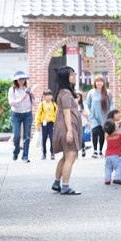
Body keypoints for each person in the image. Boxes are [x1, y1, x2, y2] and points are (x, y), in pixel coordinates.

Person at [51, 66, 83, 195]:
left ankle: (57, 182)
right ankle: (65, 186)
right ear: (66, 78)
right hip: (67, 128)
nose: (74, 76)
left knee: (66, 156)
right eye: (72, 75)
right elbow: (66, 113)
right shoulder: (65, 93)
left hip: (66, 127)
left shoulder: (64, 92)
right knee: (71, 155)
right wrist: (70, 131)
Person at [7, 70, 35, 162]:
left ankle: (25, 155)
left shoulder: (27, 89)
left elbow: (33, 102)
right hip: (16, 114)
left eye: (23, 79)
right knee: (17, 135)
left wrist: (32, 96)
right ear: (16, 80)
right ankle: (16, 151)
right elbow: (11, 102)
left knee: (27, 135)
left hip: (27, 113)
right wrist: (22, 98)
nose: (21, 81)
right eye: (19, 79)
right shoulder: (12, 90)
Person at [86, 75, 114, 158]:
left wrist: (111, 113)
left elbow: (111, 103)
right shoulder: (91, 92)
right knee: (95, 132)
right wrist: (89, 113)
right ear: (94, 82)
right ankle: (95, 151)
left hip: (104, 116)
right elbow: (88, 104)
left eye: (101, 81)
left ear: (103, 82)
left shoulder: (107, 92)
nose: (99, 83)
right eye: (97, 81)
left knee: (102, 133)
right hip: (94, 116)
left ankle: (100, 151)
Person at [102, 119, 121, 186]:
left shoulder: (108, 137)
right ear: (115, 128)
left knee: (108, 168)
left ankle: (107, 180)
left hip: (107, 156)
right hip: (116, 156)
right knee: (118, 167)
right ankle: (117, 178)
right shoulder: (119, 135)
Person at [34, 90, 57, 160]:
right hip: (43, 124)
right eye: (47, 95)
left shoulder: (54, 105)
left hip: (51, 123)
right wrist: (37, 125)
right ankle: (44, 153)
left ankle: (52, 153)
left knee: (52, 138)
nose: (49, 97)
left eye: (50, 95)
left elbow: (56, 114)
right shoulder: (41, 105)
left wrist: (57, 123)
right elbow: (38, 115)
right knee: (43, 139)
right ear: (44, 96)